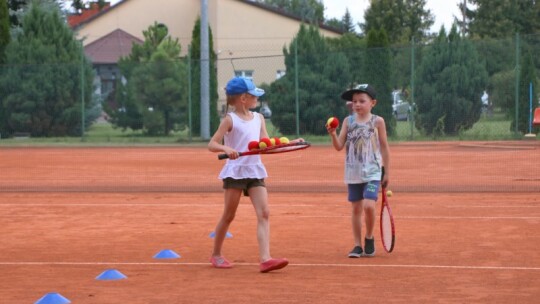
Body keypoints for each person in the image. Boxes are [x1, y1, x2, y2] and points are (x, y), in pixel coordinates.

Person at [208, 76, 289, 273]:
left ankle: (265, 259)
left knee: (264, 213)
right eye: (254, 95)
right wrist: (227, 149)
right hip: (235, 172)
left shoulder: (259, 118)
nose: (257, 99)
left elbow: (266, 145)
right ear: (243, 98)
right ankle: (216, 255)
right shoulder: (230, 119)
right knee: (229, 215)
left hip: (254, 170)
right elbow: (212, 144)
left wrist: (290, 144)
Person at [327, 84, 390, 258]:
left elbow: (384, 147)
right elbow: (339, 146)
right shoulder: (349, 121)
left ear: (373, 103)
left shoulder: (378, 122)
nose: (357, 104)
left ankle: (369, 237)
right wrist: (333, 134)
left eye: (362, 101)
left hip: (373, 172)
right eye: (354, 101)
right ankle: (357, 245)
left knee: (369, 206)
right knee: (356, 209)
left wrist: (387, 172)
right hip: (353, 173)